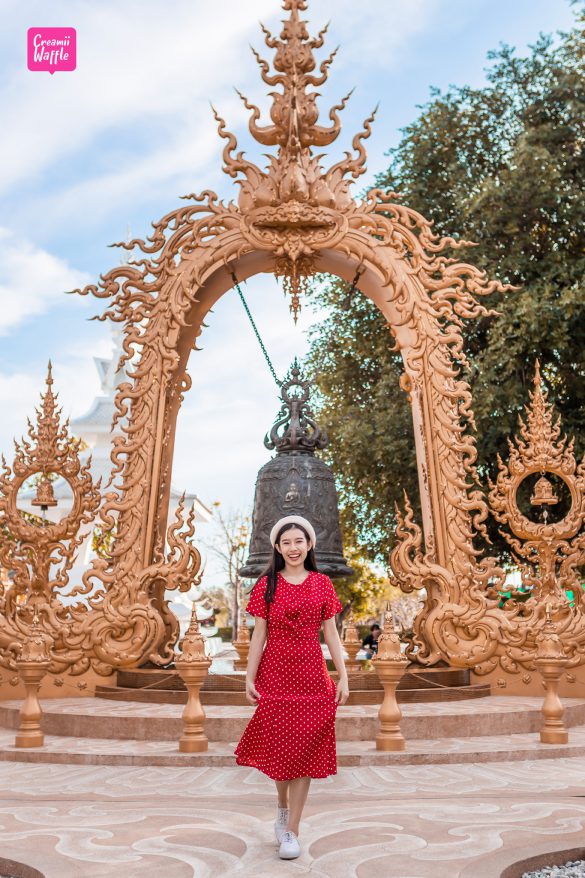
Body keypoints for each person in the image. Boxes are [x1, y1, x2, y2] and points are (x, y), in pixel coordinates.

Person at [234, 514, 349, 860]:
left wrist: (343, 674)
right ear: (277, 547)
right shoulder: (266, 585)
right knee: (282, 751)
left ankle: (292, 831)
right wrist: (248, 676)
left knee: (306, 753)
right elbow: (259, 635)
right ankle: (281, 807)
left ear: (310, 544)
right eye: (286, 542)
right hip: (276, 676)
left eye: (299, 541)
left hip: (313, 678)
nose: (293, 547)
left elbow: (330, 633)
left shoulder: (322, 583)